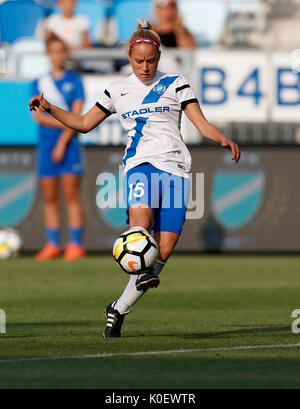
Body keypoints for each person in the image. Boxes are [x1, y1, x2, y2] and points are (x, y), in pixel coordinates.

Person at [29, 20, 240, 335]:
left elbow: (201, 123)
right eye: (139, 61)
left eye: (150, 61)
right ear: (130, 58)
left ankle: (118, 308)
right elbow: (85, 123)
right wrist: (50, 108)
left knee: (163, 252)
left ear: (158, 58)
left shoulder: (176, 83)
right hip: (140, 165)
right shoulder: (118, 90)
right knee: (140, 229)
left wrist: (222, 138)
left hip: (177, 171)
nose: (144, 66)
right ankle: (139, 267)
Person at [32, 33, 86, 261]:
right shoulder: (38, 83)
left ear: (66, 54)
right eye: (53, 51)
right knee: (50, 196)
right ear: (48, 54)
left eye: (61, 51)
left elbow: (77, 115)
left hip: (69, 143)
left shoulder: (74, 80)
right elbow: (39, 117)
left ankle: (75, 244)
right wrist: (62, 124)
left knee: (71, 194)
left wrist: (63, 141)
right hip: (46, 144)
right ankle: (52, 244)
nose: (57, 56)